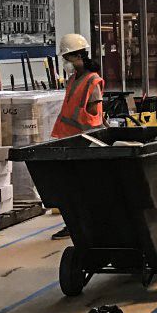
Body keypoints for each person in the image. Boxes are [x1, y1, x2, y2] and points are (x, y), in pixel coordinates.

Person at [50, 33, 105, 240]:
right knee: (69, 189)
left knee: (82, 190)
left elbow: (94, 114)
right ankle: (74, 225)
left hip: (85, 143)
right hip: (69, 141)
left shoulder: (92, 81)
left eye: (67, 58)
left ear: (77, 56)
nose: (65, 63)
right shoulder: (73, 79)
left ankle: (86, 225)